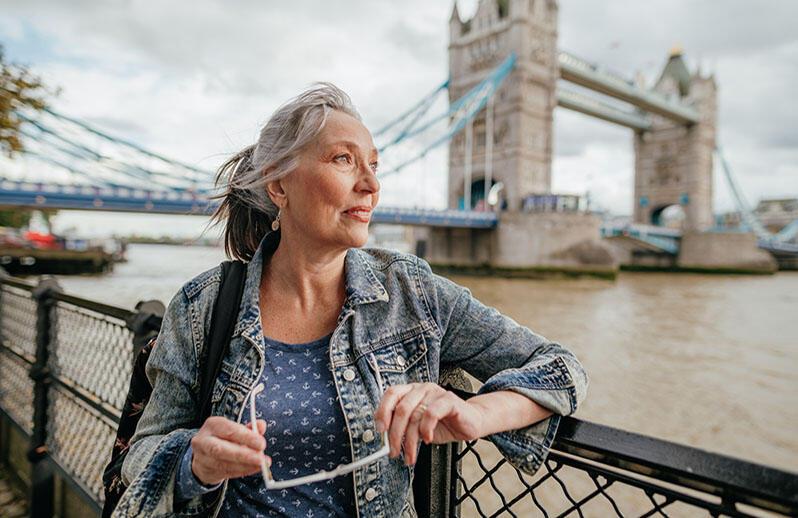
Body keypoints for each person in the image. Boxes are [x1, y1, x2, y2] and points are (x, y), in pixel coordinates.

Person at [116, 83, 588, 518]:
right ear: (278, 186)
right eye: (343, 159)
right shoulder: (203, 307)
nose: (371, 184)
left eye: (374, 164)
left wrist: (475, 414)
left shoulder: (413, 292)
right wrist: (195, 462)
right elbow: (142, 452)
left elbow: (562, 368)